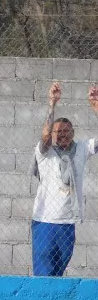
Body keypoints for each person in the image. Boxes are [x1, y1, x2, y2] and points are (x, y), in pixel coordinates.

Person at [31, 82, 98, 277]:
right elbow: (45, 135)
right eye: (58, 131)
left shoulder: (82, 149)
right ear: (52, 135)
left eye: (66, 131)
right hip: (45, 222)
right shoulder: (45, 152)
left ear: (73, 133)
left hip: (68, 223)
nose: (62, 134)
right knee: (43, 276)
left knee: (58, 274)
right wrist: (52, 104)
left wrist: (96, 107)